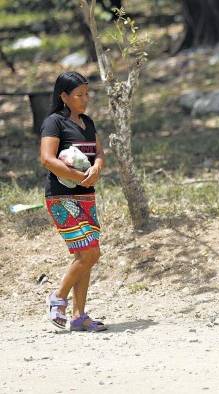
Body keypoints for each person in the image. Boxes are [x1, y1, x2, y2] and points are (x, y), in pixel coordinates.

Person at [39, 71, 107, 332]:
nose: (85, 99)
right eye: (79, 95)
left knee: (86, 255)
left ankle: (79, 316)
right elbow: (47, 159)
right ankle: (58, 298)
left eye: (87, 94)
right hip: (62, 197)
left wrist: (97, 167)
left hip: (86, 196)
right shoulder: (54, 123)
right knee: (91, 252)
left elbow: (98, 152)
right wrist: (79, 176)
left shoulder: (87, 122)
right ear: (64, 96)